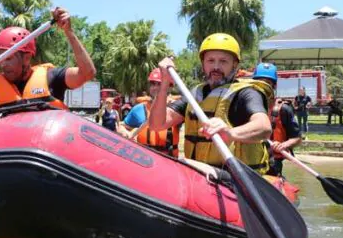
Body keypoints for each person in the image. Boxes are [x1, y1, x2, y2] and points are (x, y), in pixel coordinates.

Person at [149, 33, 274, 174]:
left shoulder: (246, 93)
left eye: (223, 61)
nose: (216, 67)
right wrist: (164, 83)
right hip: (200, 175)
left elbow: (264, 127)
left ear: (235, 64)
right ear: (203, 64)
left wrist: (230, 133)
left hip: (235, 178)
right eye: (210, 60)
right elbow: (156, 125)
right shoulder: (195, 94)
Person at [253, 63, 302, 177]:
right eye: (259, 83)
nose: (263, 87)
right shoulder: (245, 106)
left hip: (273, 162)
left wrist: (283, 145)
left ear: (273, 86)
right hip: (250, 159)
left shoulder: (283, 109)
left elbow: (297, 139)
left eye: (267, 83)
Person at [120, 68, 180, 157]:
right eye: (152, 84)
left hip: (169, 163)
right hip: (145, 162)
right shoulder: (139, 109)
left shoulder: (176, 108)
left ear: (169, 86)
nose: (155, 88)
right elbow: (121, 126)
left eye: (159, 84)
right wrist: (127, 133)